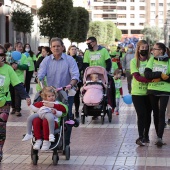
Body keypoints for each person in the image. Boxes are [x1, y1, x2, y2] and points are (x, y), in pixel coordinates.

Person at [36, 37, 79, 145]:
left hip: (66, 93)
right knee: (45, 113)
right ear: (50, 48)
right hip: (50, 94)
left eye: (58, 46)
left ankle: (65, 143)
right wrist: (42, 84)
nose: (56, 48)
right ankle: (43, 137)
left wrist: (70, 85)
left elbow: (75, 75)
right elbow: (40, 75)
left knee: (67, 116)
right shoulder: (46, 60)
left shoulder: (70, 60)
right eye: (54, 46)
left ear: (63, 47)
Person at [0, 45, 31, 161]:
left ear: (4, 57)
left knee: (1, 127)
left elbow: (17, 84)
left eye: (1, 55)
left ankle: (0, 150)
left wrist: (26, 96)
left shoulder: (8, 69)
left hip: (4, 102)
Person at [22, 86, 67, 150]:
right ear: (45, 97)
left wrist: (55, 111)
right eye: (49, 96)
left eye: (53, 95)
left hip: (53, 123)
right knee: (35, 120)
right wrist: (29, 105)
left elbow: (62, 112)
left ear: (55, 95)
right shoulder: (41, 103)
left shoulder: (57, 104)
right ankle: (38, 140)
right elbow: (35, 109)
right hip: (41, 120)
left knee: (46, 121)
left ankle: (47, 141)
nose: (51, 97)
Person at [144, 42, 170, 147]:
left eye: (155, 49)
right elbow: (147, 74)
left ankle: (159, 137)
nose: (152, 51)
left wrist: (166, 78)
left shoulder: (168, 62)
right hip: (152, 89)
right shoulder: (151, 60)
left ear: (161, 51)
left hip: (165, 90)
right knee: (155, 113)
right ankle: (157, 135)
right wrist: (160, 75)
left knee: (161, 113)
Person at [83, 37, 115, 117]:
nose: (88, 45)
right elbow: (85, 64)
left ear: (94, 42)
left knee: (103, 90)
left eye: (89, 43)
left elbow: (108, 62)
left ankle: (104, 104)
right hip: (91, 75)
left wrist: (106, 71)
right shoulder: (87, 52)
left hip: (101, 75)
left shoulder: (103, 50)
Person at [130, 40, 152, 146]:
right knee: (141, 114)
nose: (144, 49)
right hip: (137, 93)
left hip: (149, 92)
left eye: (146, 47)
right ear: (138, 49)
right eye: (142, 47)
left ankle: (146, 135)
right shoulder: (134, 61)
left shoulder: (151, 60)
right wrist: (150, 80)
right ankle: (140, 136)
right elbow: (137, 77)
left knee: (148, 114)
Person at [10, 42, 28, 116]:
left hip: (19, 79)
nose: (20, 48)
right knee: (12, 94)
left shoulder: (24, 56)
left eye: (21, 47)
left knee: (18, 94)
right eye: (19, 46)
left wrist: (18, 66)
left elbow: (26, 67)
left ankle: (18, 109)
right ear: (15, 47)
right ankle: (13, 107)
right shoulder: (10, 55)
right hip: (11, 78)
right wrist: (12, 66)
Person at [67, 45, 83, 118]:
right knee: (67, 96)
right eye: (72, 49)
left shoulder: (79, 58)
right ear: (69, 50)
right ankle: (68, 111)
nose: (73, 50)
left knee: (76, 97)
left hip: (77, 80)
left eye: (75, 49)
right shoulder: (66, 58)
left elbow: (80, 67)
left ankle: (76, 111)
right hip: (67, 80)